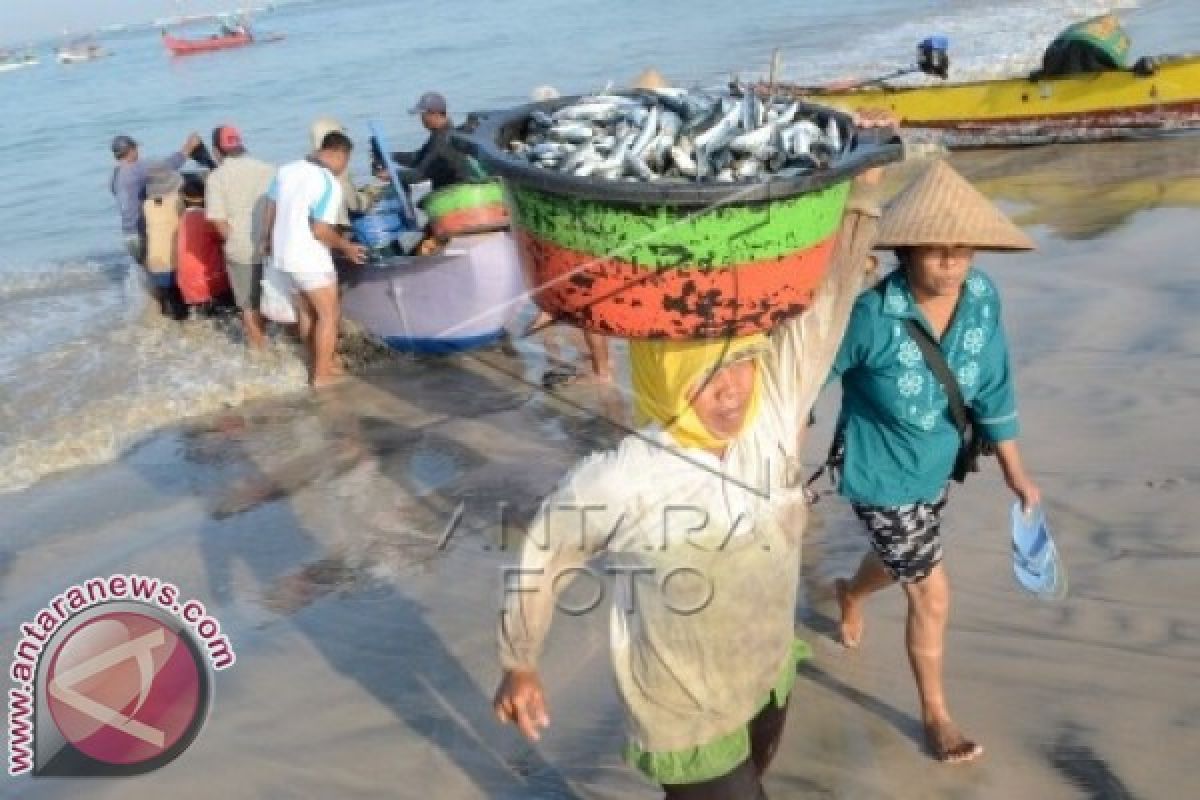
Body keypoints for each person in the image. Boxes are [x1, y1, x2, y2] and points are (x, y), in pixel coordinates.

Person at [493, 118, 892, 798]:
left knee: (759, 769)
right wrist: (519, 661)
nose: (732, 388)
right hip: (683, 704)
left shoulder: (772, 410)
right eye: (708, 374)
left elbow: (826, 303)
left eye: (741, 363)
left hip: (767, 666)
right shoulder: (626, 476)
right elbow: (543, 554)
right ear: (666, 376)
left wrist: (863, 190)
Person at [825, 160, 1041, 764]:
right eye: (936, 249)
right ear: (908, 249)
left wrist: (1014, 471)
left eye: (962, 247)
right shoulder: (871, 314)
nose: (951, 260)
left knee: (901, 564)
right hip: (878, 472)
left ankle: (851, 592)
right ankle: (936, 715)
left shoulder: (980, 298)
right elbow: (814, 372)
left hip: (938, 464)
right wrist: (783, 455)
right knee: (933, 592)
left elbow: (993, 384)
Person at [263, 131, 367, 388]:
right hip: (309, 257)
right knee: (328, 315)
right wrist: (347, 247)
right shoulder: (328, 183)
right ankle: (322, 375)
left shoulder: (286, 170)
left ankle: (317, 364)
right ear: (338, 154)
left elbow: (270, 207)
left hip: (284, 255)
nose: (345, 167)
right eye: (347, 161)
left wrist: (267, 240)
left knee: (307, 313)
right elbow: (320, 230)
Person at [206, 124, 275, 348]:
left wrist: (233, 239)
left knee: (249, 306)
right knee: (276, 298)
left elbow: (218, 220)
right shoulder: (267, 168)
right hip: (272, 244)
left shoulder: (217, 178)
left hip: (242, 249)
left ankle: (261, 355)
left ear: (217, 150)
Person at [110, 132, 202, 265]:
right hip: (139, 234)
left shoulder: (115, 175)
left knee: (147, 267)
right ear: (131, 150)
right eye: (136, 148)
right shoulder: (136, 169)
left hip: (127, 236)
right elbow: (170, 165)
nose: (138, 152)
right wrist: (188, 146)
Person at [382, 91, 477, 190]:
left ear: (434, 114)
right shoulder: (442, 134)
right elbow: (418, 157)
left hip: (453, 194)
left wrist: (392, 174)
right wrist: (391, 156)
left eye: (423, 115)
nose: (421, 120)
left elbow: (419, 175)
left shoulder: (443, 140)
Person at [176, 175, 232, 311]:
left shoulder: (183, 219)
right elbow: (229, 238)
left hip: (186, 286)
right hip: (209, 283)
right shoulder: (208, 219)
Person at [141, 165, 187, 318]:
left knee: (167, 300)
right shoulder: (176, 202)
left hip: (154, 263)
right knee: (180, 305)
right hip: (173, 263)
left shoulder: (147, 205)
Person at [309, 117, 371, 227]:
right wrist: (367, 197)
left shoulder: (305, 167)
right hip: (335, 230)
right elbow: (354, 205)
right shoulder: (338, 169)